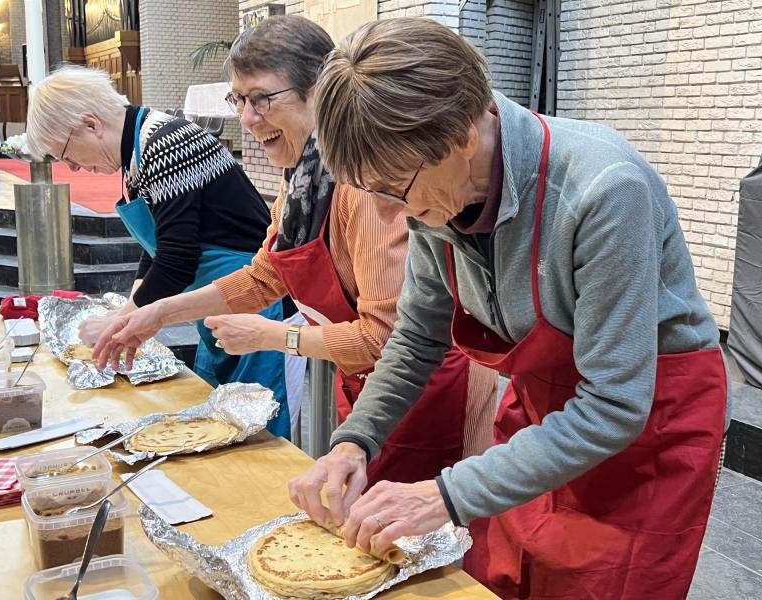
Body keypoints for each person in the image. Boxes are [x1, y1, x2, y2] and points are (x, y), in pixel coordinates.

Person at [288, 17, 729, 599]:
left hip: (647, 422)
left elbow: (616, 406)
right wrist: (355, 439)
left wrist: (442, 494)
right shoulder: (435, 196)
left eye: (397, 187)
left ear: (464, 136)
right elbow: (419, 335)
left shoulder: (602, 189)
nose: (398, 212)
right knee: (506, 574)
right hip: (547, 407)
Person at [89, 15, 499, 485]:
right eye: (238, 100)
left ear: (318, 93)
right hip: (361, 382)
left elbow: (385, 341)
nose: (247, 117)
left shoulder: (363, 187)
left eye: (262, 98)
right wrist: (157, 314)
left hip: (422, 392)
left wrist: (273, 337)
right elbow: (263, 278)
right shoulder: (302, 181)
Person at [26, 65, 293, 437]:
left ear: (90, 123)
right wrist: (128, 311)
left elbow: (177, 261)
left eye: (66, 154)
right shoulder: (138, 152)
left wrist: (123, 322)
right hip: (213, 299)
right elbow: (156, 247)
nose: (73, 167)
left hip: (249, 293)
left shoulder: (166, 144)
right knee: (219, 416)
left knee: (256, 421)